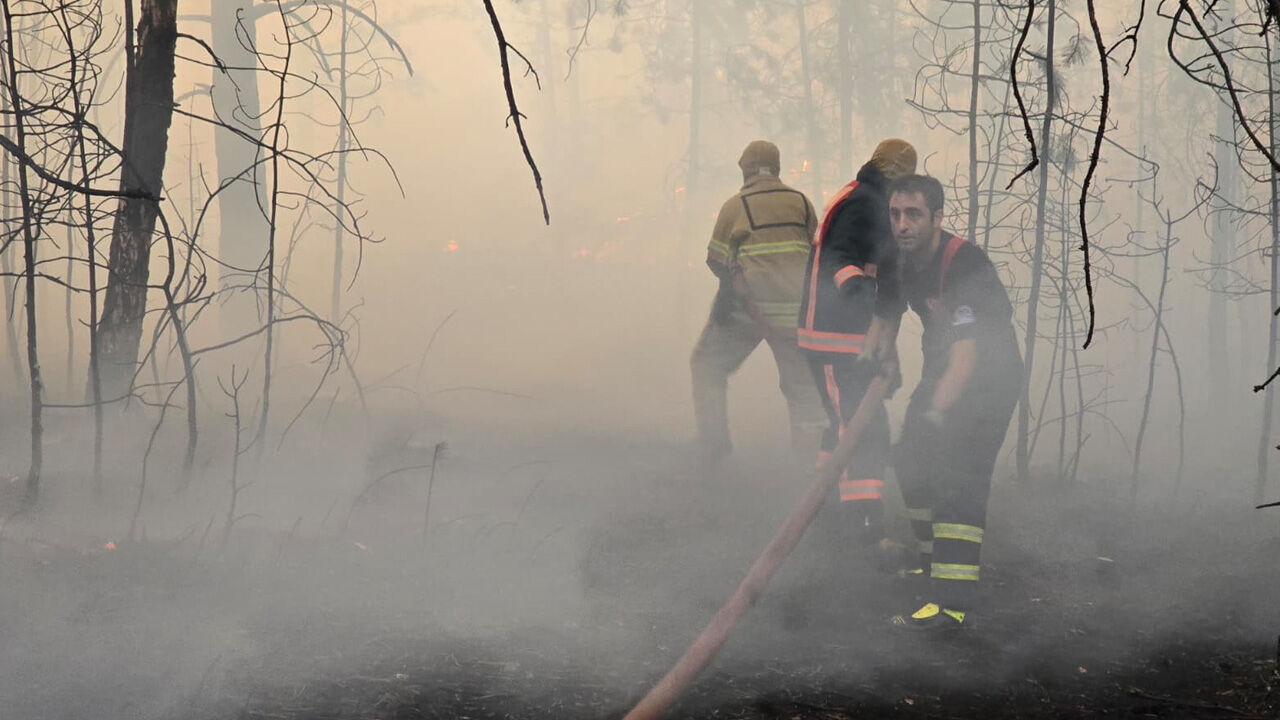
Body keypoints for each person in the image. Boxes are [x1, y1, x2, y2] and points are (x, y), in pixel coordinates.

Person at [885, 175, 1022, 632]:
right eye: (895, 214)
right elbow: (888, 314)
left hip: (988, 382)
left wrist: (935, 410)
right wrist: (877, 361)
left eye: (913, 215)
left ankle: (951, 605)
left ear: (938, 218)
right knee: (909, 462)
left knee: (957, 480)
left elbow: (968, 352)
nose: (901, 225)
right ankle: (933, 563)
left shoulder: (965, 264)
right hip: (942, 375)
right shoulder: (904, 261)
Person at [797, 139, 916, 545]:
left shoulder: (865, 197)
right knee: (865, 430)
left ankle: (824, 505)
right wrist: (867, 298)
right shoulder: (865, 204)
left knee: (844, 424)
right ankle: (864, 526)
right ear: (897, 174)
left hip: (848, 338)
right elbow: (840, 260)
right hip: (835, 337)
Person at [690, 140, 826, 465]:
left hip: (749, 312)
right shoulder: (802, 202)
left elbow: (715, 260)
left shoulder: (735, 206)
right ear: (777, 168)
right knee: (803, 388)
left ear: (745, 169)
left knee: (706, 364)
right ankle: (810, 463)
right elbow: (815, 250)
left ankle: (713, 444)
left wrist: (738, 281)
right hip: (797, 313)